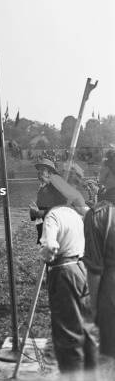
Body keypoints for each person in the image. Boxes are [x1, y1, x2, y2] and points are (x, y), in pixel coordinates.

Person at [37, 171, 96, 378]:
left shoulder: (53, 215)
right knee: (84, 326)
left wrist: (45, 254)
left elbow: (50, 246)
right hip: (82, 269)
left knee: (67, 331)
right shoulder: (74, 213)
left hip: (64, 272)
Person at [84, 149, 115, 370]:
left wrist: (93, 307)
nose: (99, 169)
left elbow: (94, 270)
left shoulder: (97, 214)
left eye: (103, 165)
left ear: (109, 172)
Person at [29, 158, 68, 242]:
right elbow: (39, 212)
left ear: (50, 173)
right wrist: (33, 213)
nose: (39, 173)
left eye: (42, 170)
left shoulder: (57, 186)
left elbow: (64, 207)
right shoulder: (42, 187)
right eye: (39, 171)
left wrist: (41, 213)